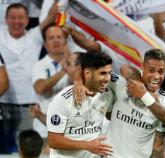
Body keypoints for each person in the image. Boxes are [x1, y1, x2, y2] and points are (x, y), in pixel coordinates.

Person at [74, 49, 165, 158]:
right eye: (151, 70)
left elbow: (159, 147)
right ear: (142, 68)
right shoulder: (120, 84)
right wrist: (78, 82)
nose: (156, 76)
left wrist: (145, 95)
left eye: (161, 72)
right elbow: (90, 72)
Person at [0, 2, 58, 154]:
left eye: (20, 17)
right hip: (2, 103)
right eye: (12, 18)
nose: (17, 21)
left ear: (27, 19)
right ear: (5, 20)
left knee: (26, 151)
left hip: (29, 106)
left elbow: (52, 16)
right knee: (3, 151)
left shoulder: (35, 36)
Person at [47, 51, 114, 158]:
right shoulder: (63, 99)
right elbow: (53, 141)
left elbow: (111, 116)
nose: (107, 78)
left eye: (109, 73)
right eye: (102, 73)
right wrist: (87, 146)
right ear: (87, 74)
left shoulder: (107, 95)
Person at [31, 24, 77, 154]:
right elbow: (40, 88)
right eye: (51, 38)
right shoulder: (39, 65)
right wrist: (64, 71)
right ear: (45, 44)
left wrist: (70, 66)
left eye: (59, 37)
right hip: (44, 130)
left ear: (65, 41)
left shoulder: (77, 63)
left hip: (71, 129)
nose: (56, 40)